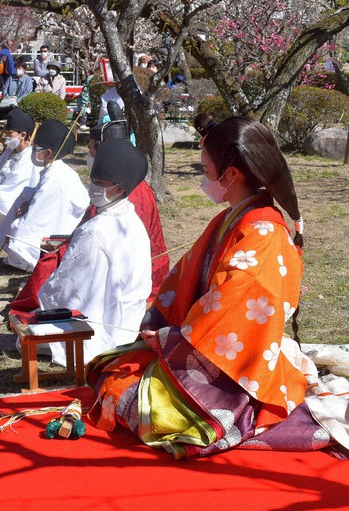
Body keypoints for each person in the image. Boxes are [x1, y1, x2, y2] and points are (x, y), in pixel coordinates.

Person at [84, 116, 335, 459]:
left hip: (232, 369)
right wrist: (161, 328)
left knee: (132, 401)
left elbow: (232, 311)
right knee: (113, 373)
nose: (203, 179)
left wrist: (170, 339)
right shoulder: (234, 217)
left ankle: (227, 411)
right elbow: (184, 276)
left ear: (231, 175)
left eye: (205, 170)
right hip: (200, 345)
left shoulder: (263, 233)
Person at [38, 138, 152, 366]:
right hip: (128, 321)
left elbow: (68, 288)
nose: (93, 188)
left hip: (99, 327)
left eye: (100, 183)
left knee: (41, 311)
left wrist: (45, 292)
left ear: (119, 188)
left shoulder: (95, 231)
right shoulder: (130, 217)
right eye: (93, 181)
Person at [88, 104, 169, 302]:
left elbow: (121, 249)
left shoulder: (129, 192)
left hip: (135, 282)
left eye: (90, 148)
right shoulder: (117, 185)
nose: (87, 154)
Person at [0, 119, 88, 272]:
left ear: (48, 152)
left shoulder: (54, 179)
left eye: (36, 147)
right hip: (59, 223)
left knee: (19, 231)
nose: (32, 149)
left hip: (62, 232)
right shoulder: (55, 171)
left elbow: (38, 220)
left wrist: (14, 231)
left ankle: (29, 259)